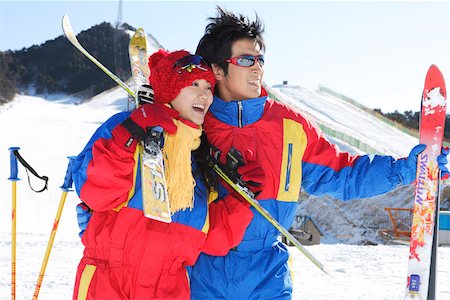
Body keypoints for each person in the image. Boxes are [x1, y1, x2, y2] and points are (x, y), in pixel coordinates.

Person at [188, 7, 450, 299]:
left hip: (267, 273)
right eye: (246, 60)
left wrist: (404, 170)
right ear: (217, 70)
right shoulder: (193, 124)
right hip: (203, 271)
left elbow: (343, 173)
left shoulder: (289, 126)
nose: (257, 68)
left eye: (260, 60)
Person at [71, 49, 253, 299]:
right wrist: (128, 134)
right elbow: (95, 193)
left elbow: (212, 241)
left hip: (168, 288)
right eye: (194, 84)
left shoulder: (201, 161)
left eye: (209, 87)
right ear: (169, 90)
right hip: (108, 282)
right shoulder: (126, 126)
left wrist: (241, 199)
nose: (205, 94)